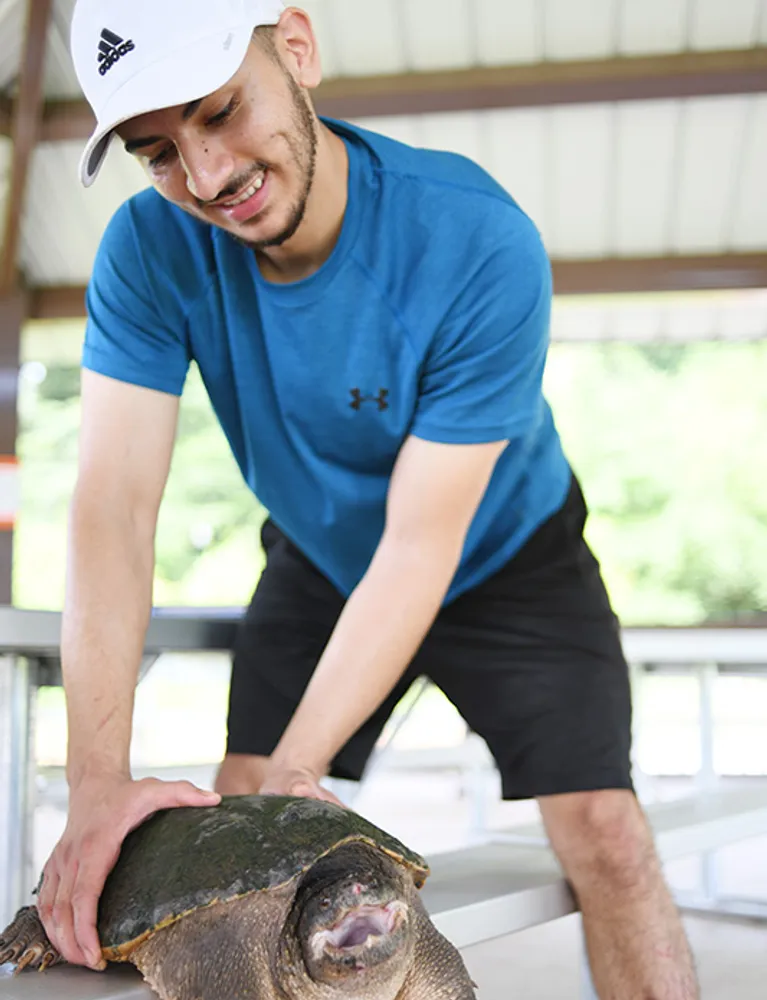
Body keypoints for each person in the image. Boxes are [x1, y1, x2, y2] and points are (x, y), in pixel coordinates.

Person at [36, 1, 698, 996]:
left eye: (219, 111)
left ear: (295, 49)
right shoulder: (145, 251)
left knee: (604, 833)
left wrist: (296, 774)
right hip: (317, 550)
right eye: (157, 152)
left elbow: (419, 546)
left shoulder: (477, 238)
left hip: (504, 553)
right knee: (244, 845)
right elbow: (112, 508)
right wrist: (95, 788)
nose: (207, 176)